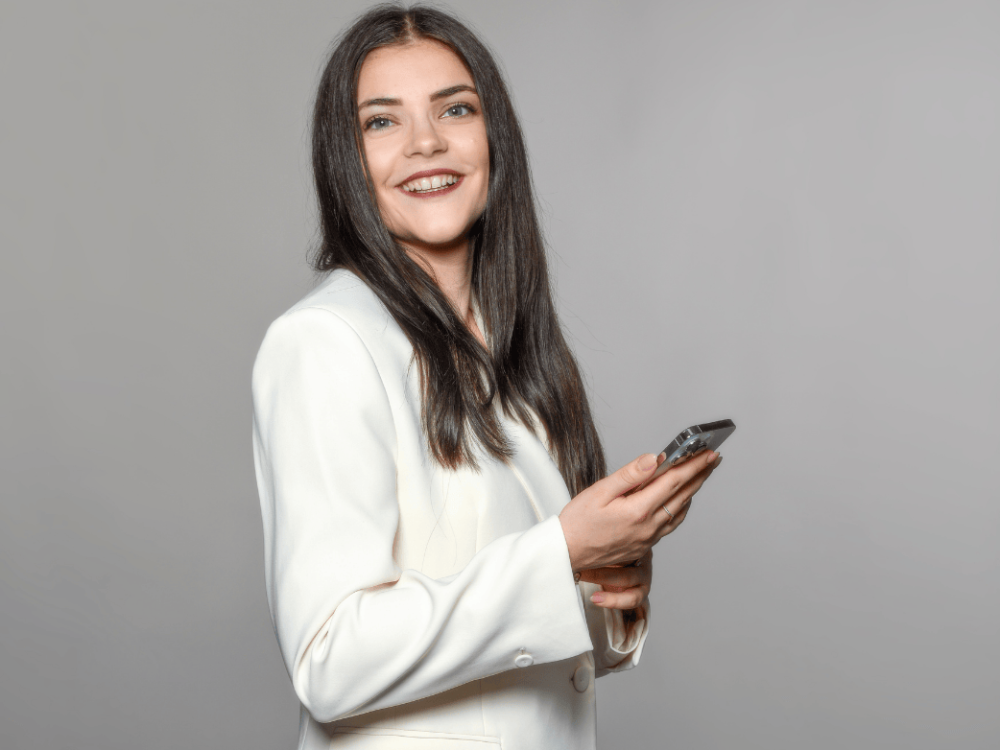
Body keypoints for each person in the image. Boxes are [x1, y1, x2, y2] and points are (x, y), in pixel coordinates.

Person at [251, 5, 722, 749]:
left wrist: (614, 591)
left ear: (493, 136)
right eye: (381, 122)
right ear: (345, 159)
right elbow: (329, 658)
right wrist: (563, 551)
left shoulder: (506, 350)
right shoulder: (324, 342)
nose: (426, 143)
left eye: (455, 109)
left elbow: (533, 657)